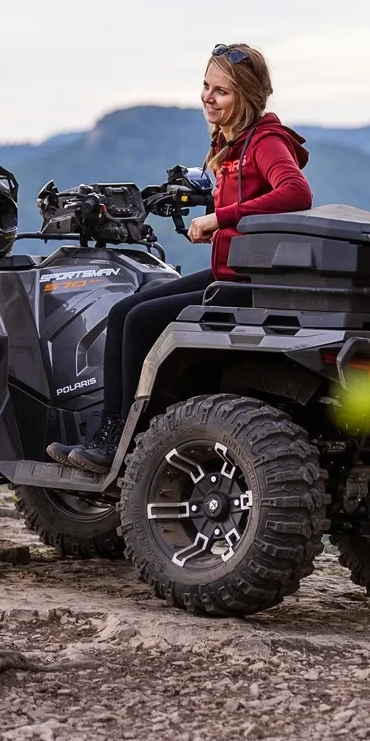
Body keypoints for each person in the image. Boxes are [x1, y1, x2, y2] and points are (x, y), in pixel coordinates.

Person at [49, 43, 313, 471]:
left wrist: (220, 218)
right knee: (123, 312)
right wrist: (216, 226)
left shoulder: (265, 141)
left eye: (222, 91)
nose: (209, 98)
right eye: (206, 87)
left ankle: (124, 445)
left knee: (140, 321)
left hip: (252, 283)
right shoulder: (231, 142)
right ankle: (108, 435)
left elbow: (296, 192)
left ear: (246, 95)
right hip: (230, 271)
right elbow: (254, 205)